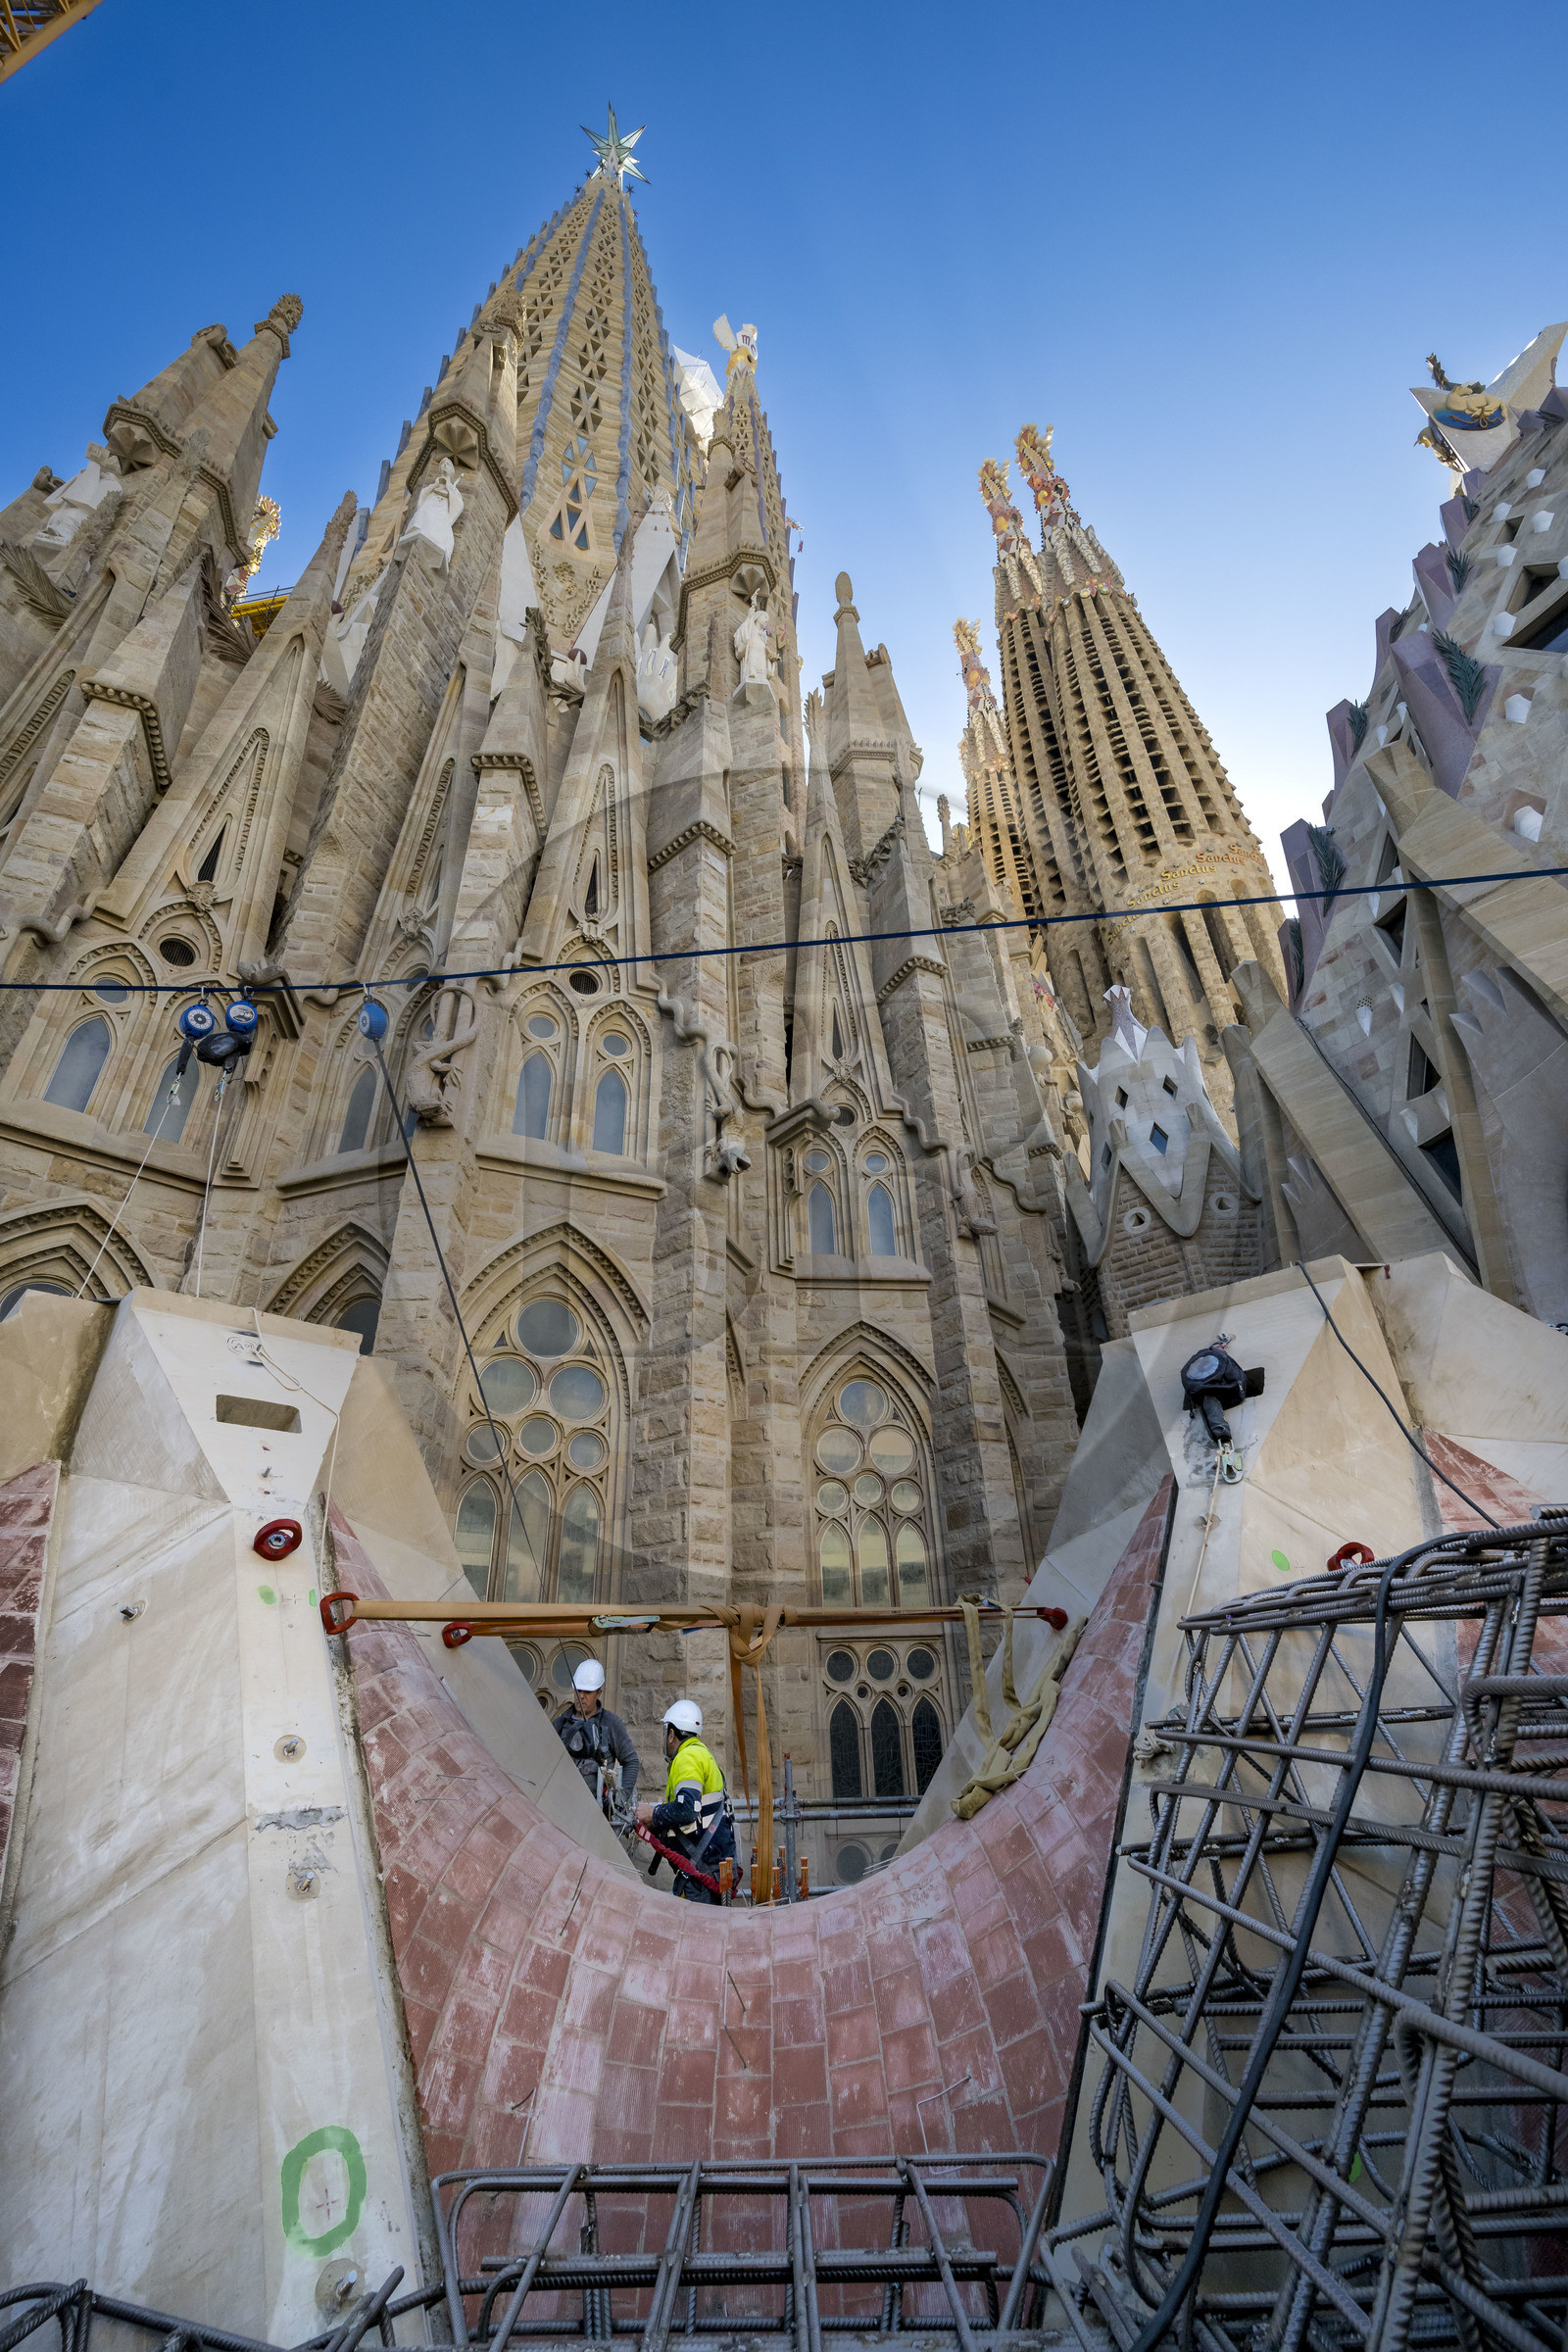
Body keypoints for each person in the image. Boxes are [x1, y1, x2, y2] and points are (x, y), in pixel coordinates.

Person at [636, 1698, 736, 1905]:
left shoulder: (686, 1757)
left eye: (665, 1732)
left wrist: (652, 1814)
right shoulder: (702, 1754)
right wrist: (655, 1824)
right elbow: (698, 1814)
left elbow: (687, 1809)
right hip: (712, 1865)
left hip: (701, 1872)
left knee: (701, 1933)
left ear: (672, 1734)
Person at [552, 1658, 639, 1814]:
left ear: (599, 1692)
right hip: (561, 1808)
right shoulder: (559, 1724)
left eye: (587, 1691)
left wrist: (618, 1802)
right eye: (578, 1690)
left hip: (598, 1811)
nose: (581, 1696)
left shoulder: (611, 1724)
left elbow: (631, 1762)